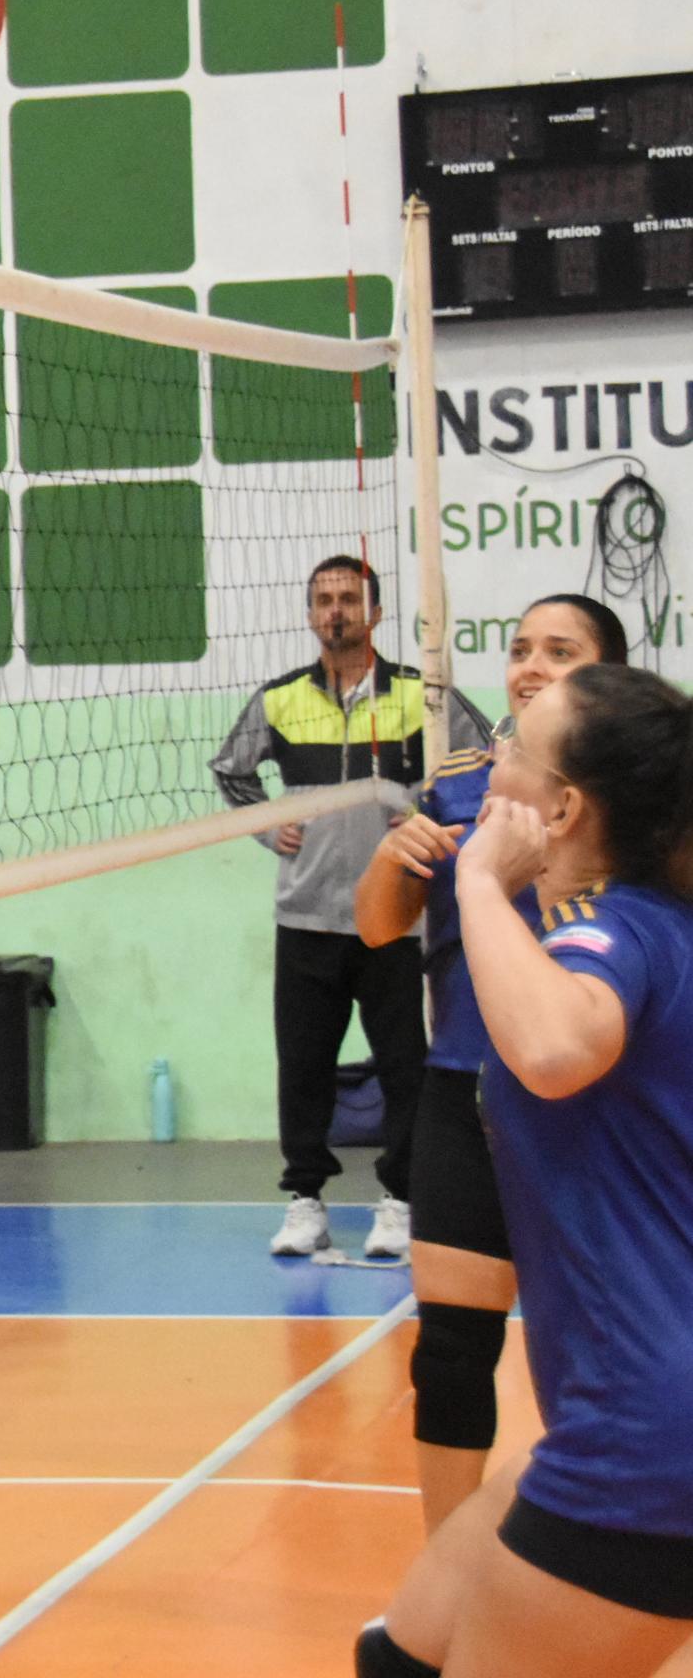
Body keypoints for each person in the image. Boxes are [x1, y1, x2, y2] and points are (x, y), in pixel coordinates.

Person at [368, 662, 693, 1678]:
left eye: (514, 742)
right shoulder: (650, 925)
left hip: (648, 1438)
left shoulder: (620, 932)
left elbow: (554, 1050)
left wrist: (477, 881)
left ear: (562, 808)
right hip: (634, 1419)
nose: (492, 753)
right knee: (402, 1656)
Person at [356, 595, 627, 1533]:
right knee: (451, 1349)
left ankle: (608, 1538)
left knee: (603, 1345)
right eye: (519, 650)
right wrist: (393, 857)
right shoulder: (462, 781)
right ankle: (447, 1556)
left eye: (560, 651)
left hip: (590, 1100)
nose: (530, 666)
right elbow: (378, 928)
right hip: (464, 1087)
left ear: (606, 676)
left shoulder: (638, 795)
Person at [211, 554, 488, 1261]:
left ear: (376, 613)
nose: (335, 610)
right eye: (324, 599)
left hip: (396, 917)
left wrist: (427, 811)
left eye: (348, 598)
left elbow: (484, 762)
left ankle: (400, 1199)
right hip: (306, 917)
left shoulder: (422, 695)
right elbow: (230, 770)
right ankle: (306, 1200)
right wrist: (269, 825)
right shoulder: (279, 700)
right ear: (310, 615)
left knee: (405, 1065)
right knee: (303, 1067)